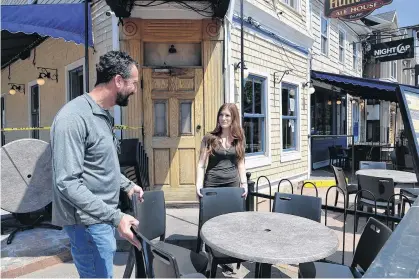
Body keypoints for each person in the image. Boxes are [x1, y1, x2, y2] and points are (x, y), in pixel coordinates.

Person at [50, 51, 144, 278]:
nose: (135, 89)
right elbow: (67, 183)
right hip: (87, 224)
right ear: (118, 81)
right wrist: (116, 217)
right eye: (134, 83)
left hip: (101, 219)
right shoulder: (73, 118)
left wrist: (126, 184)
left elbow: (102, 163)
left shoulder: (102, 115)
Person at [195, 102, 248, 197]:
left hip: (233, 184)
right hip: (212, 184)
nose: (223, 118)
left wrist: (244, 183)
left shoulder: (239, 138)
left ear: (233, 118)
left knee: (232, 212)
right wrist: (199, 185)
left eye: (227, 115)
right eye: (221, 115)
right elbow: (201, 165)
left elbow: (241, 163)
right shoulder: (209, 138)